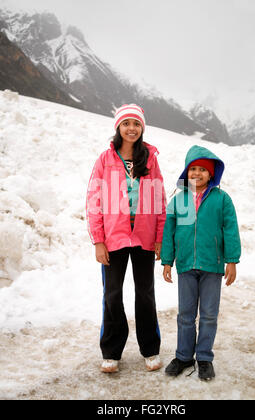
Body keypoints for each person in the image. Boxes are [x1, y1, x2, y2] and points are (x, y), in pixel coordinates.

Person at [86, 104, 166, 373]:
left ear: (142, 128)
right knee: (112, 294)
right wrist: (98, 240)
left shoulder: (150, 159)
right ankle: (111, 352)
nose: (132, 128)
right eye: (126, 123)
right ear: (118, 128)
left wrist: (159, 237)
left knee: (145, 294)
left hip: (143, 238)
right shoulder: (105, 160)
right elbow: (94, 201)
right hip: (113, 239)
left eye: (137, 124)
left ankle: (150, 349)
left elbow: (159, 200)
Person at [161, 145, 241, 381]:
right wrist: (167, 260)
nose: (197, 174)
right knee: (185, 315)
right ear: (187, 173)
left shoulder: (222, 199)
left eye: (202, 170)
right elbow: (169, 231)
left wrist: (232, 261)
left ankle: (204, 357)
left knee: (208, 315)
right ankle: (184, 356)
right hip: (186, 265)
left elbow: (230, 230)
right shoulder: (179, 199)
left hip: (212, 266)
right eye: (193, 169)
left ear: (211, 174)